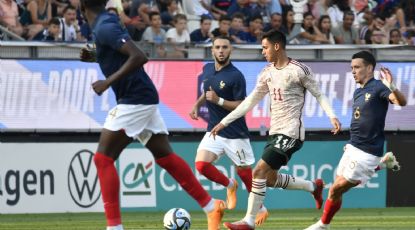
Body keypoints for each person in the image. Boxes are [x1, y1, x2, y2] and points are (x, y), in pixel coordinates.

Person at [79, 1, 226, 229]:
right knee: (165, 156)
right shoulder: (104, 25)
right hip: (142, 97)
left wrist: (106, 82)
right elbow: (119, 54)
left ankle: (114, 227)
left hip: (135, 99)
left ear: (81, 5)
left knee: (102, 159)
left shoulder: (105, 26)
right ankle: (211, 206)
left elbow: (138, 56)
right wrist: (97, 56)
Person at [210, 30, 342, 230]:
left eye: (265, 47)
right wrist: (224, 122)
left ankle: (249, 221)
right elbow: (249, 102)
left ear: (277, 46)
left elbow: (319, 95)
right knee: (269, 179)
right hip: (275, 133)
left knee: (258, 171)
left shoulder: (299, 70)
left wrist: (332, 115)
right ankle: (314, 187)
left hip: (291, 132)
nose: (263, 52)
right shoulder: (266, 73)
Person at [305, 51, 407, 230]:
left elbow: (401, 102)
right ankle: (383, 164)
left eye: (357, 67)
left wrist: (392, 87)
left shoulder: (379, 87)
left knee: (334, 189)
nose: (353, 71)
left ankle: (322, 225)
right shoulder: (358, 91)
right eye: (352, 68)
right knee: (337, 191)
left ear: (369, 68)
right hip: (353, 146)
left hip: (368, 152)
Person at [189, 36, 269, 227]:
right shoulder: (207, 68)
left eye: (225, 47)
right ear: (212, 51)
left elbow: (242, 105)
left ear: (230, 50)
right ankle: (229, 185)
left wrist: (219, 101)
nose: (221, 50)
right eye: (217, 47)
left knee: (245, 172)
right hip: (214, 130)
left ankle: (261, 206)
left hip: (235, 132)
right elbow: (206, 91)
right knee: (201, 165)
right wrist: (196, 105)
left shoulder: (236, 75)